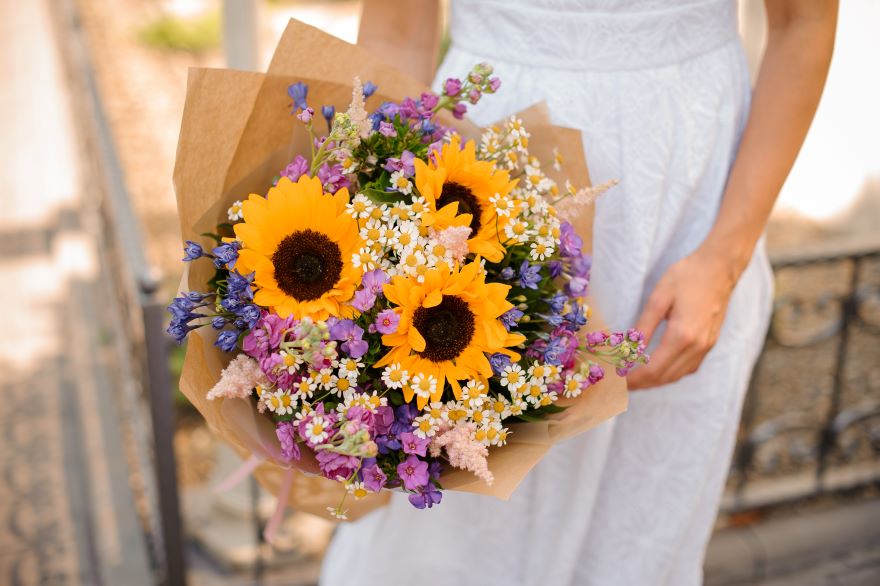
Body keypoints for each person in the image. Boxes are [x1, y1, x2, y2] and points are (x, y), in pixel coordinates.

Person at [322, 1, 838, 584]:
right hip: (479, 183)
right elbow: (396, 28)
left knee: (638, 541)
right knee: (450, 539)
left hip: (689, 205)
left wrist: (724, 255)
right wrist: (372, 224)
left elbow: (806, 20)